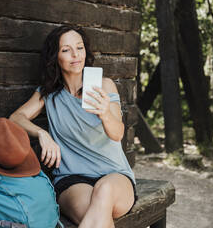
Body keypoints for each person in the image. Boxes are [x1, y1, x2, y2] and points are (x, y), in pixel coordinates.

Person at [9, 25, 137, 228]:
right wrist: (42, 134)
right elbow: (16, 117)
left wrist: (105, 113)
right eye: (66, 50)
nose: (76, 55)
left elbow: (117, 133)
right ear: (55, 57)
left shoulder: (104, 86)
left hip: (114, 175)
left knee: (103, 193)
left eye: (80, 47)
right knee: (97, 214)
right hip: (72, 179)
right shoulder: (48, 94)